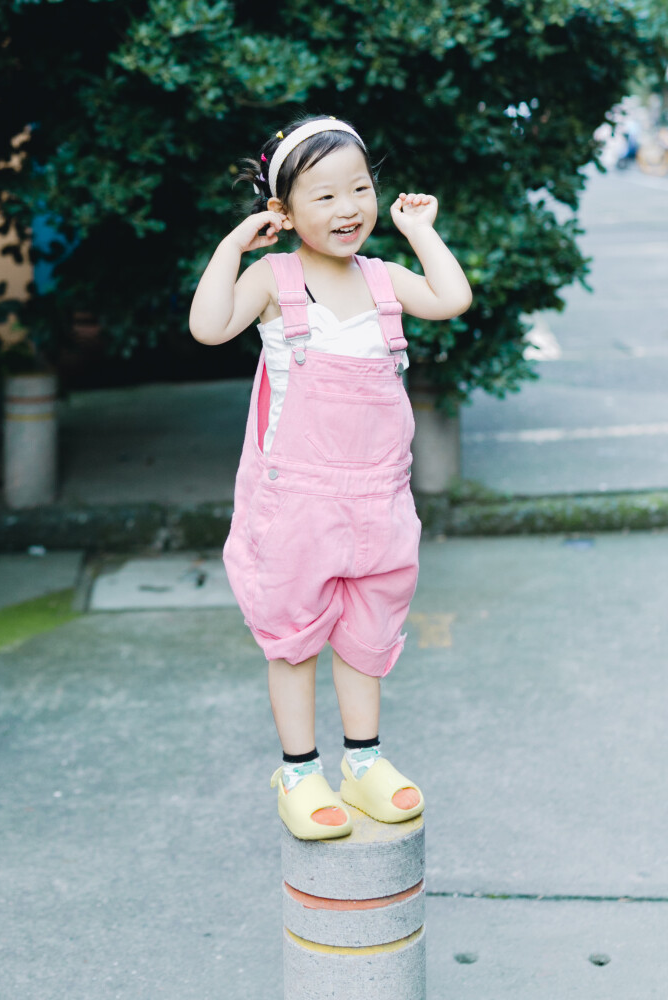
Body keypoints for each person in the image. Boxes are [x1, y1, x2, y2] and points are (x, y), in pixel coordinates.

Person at [189, 115, 472, 841]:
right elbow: (209, 326)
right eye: (324, 196)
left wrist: (420, 232)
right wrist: (231, 245)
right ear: (283, 213)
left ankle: (365, 760)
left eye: (360, 188)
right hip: (297, 504)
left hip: (379, 498)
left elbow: (451, 298)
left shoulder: (384, 280)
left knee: (368, 632)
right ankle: (298, 770)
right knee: (293, 639)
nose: (349, 207)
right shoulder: (271, 280)